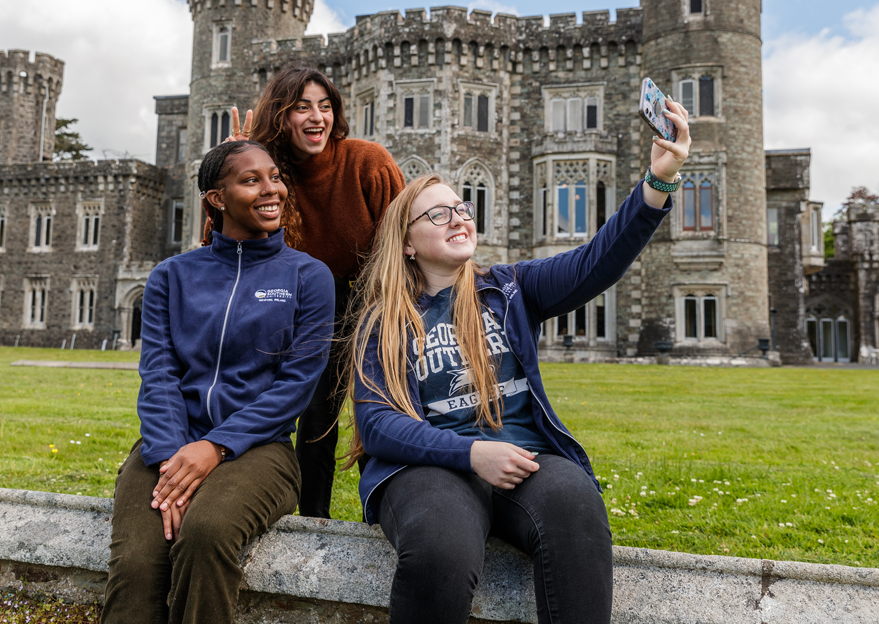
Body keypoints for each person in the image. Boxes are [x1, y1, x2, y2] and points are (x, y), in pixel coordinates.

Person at [346, 100, 691, 624]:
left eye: (462, 208)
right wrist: (471, 454)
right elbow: (378, 426)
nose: (459, 218)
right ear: (408, 242)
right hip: (426, 468)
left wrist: (658, 181)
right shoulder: (383, 320)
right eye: (438, 214)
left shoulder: (510, 289)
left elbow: (596, 260)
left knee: (576, 510)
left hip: (524, 457)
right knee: (441, 549)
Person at [102, 140, 335, 624]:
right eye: (251, 180)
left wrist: (216, 446)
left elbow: (295, 385)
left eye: (275, 177)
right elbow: (159, 374)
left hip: (261, 449)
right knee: (137, 564)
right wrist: (172, 457)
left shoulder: (309, 276)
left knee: (205, 535)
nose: (272, 190)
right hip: (169, 444)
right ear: (216, 198)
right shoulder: (171, 276)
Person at [228, 62, 404, 518]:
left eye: (325, 107)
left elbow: (406, 239)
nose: (317, 117)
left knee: (380, 414)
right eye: (302, 107)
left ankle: (386, 515)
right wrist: (230, 178)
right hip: (312, 307)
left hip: (378, 300)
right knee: (316, 422)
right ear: (280, 115)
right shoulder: (271, 177)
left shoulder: (368, 162)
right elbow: (231, 248)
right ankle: (312, 522)